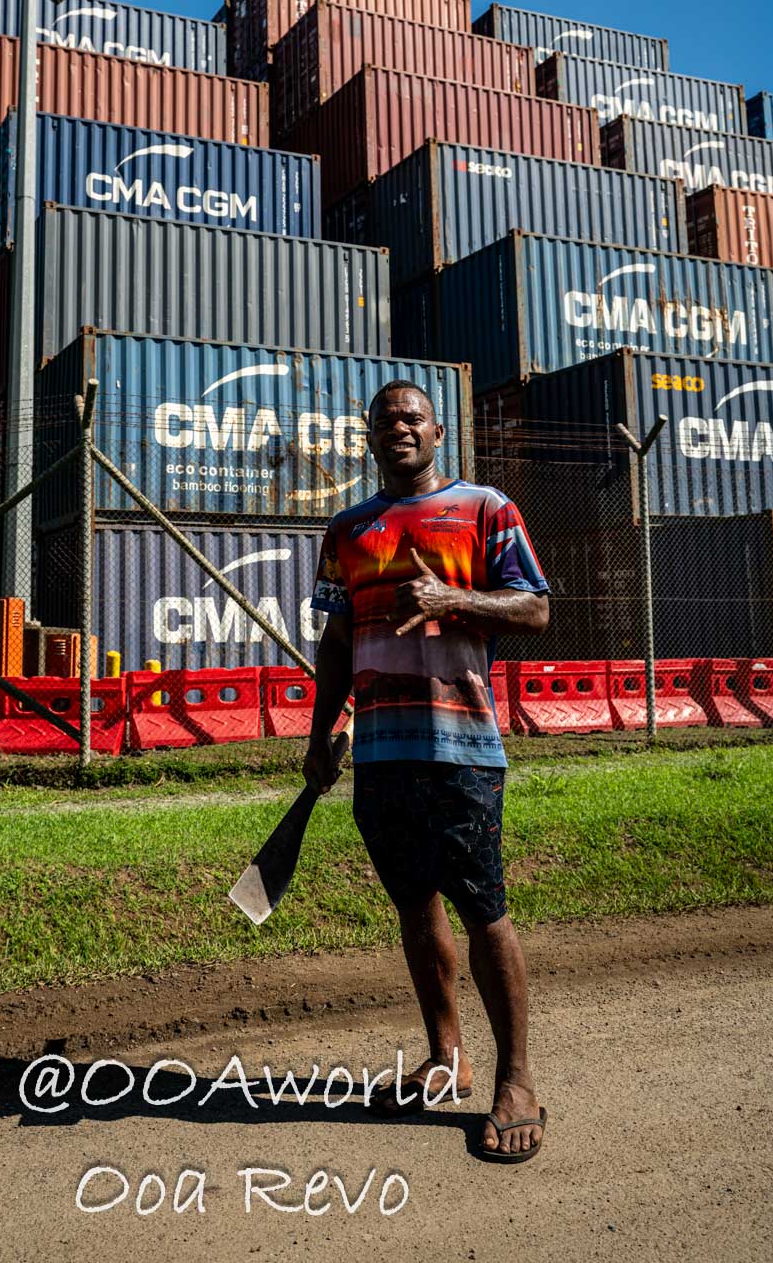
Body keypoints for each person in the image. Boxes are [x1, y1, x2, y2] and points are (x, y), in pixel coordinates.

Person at [303, 379, 550, 1163]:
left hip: (461, 750)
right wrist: (319, 733)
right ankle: (446, 1056)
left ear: (437, 432)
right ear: (368, 438)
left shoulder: (486, 509)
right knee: (414, 905)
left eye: (412, 417)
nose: (399, 428)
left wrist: (453, 596)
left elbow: (536, 608)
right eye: (385, 421)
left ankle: (515, 1080)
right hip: (379, 752)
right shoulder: (344, 530)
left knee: (483, 906)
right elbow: (337, 643)